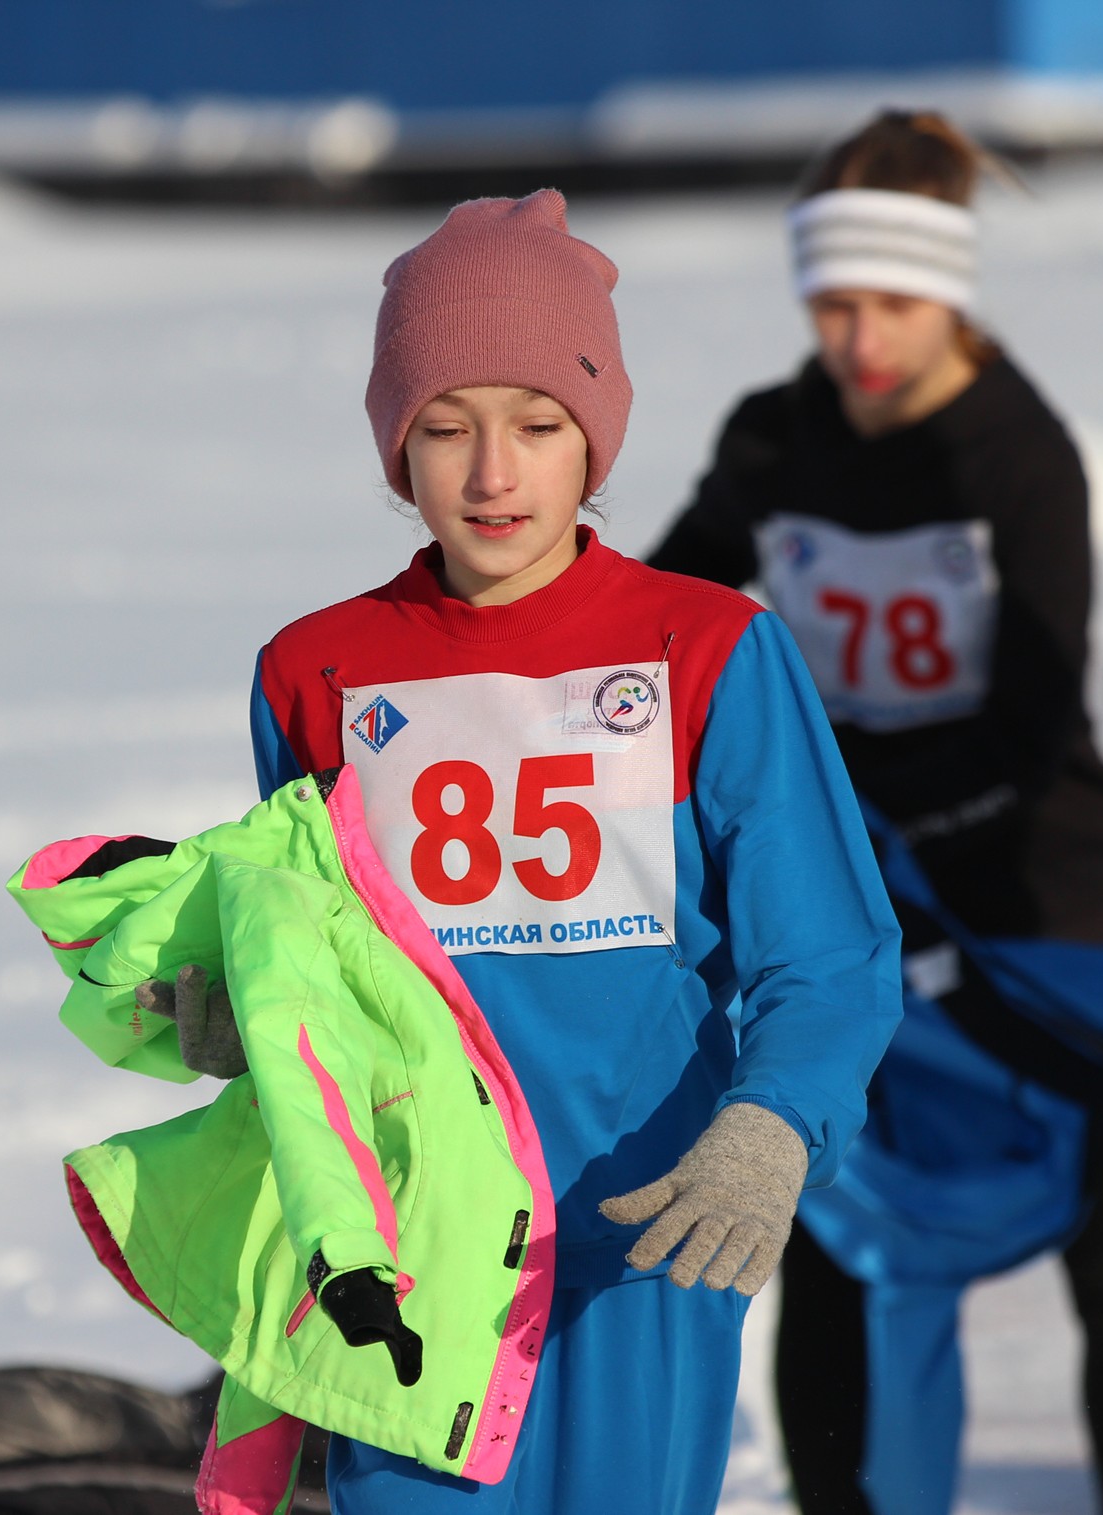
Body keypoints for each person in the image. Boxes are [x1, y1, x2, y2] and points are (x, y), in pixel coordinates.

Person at [247, 189, 902, 1512]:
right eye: (445, 430)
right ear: (395, 448)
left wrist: (773, 1123)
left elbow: (829, 952)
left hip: (643, 1227)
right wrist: (219, 999)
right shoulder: (311, 671)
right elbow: (295, 953)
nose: (494, 476)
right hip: (411, 1254)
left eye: (540, 427)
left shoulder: (710, 649)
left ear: (594, 439)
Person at [650, 111, 1103, 1515]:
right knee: (837, 1247)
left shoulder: (1017, 455)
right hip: (853, 923)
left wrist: (854, 832)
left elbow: (1037, 714)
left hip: (1047, 912)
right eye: (833, 304)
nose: (861, 338)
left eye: (893, 303)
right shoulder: (774, 443)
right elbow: (666, 630)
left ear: (951, 290)